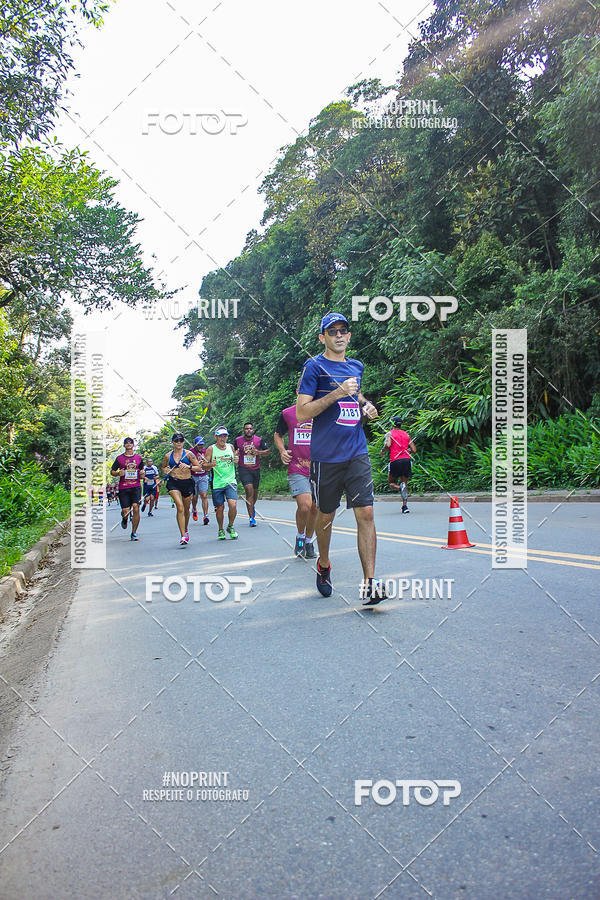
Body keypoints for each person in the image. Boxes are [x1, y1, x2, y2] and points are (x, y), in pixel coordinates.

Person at [297, 312, 386, 605]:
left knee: (367, 514)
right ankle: (323, 563)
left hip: (356, 451)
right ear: (322, 337)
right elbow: (302, 413)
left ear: (349, 336)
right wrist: (336, 392)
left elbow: (356, 395)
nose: (338, 335)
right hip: (326, 457)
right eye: (331, 331)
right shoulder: (314, 367)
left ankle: (370, 584)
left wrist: (367, 405)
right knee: (326, 516)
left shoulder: (356, 366)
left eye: (343, 330)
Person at [274, 398, 317, 558]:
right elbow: (278, 434)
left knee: (315, 507)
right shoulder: (288, 413)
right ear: (299, 391)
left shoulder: (321, 409)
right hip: (297, 466)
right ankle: (300, 536)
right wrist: (282, 450)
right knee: (305, 505)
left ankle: (308, 540)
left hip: (318, 467)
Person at [161, 433, 203, 546]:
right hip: (174, 483)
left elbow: (199, 467)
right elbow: (164, 467)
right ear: (173, 442)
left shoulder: (189, 454)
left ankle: (185, 528)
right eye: (176, 441)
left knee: (186, 508)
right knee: (179, 507)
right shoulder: (168, 455)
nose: (178, 442)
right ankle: (183, 535)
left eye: (181, 440)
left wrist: (188, 466)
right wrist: (168, 471)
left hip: (187, 482)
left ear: (183, 442)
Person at [204, 427, 239, 540]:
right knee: (220, 508)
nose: (223, 438)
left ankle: (230, 526)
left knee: (232, 504)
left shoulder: (231, 447)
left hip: (230, 481)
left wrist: (236, 460)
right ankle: (220, 529)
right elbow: (204, 466)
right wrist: (210, 465)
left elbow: (235, 460)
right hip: (217, 483)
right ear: (216, 437)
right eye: (220, 436)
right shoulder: (211, 449)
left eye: (225, 436)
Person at [235, 422, 269, 526]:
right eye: (246, 429)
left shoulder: (259, 440)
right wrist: (235, 455)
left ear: (253, 430)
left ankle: (251, 506)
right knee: (249, 491)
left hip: (255, 469)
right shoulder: (238, 440)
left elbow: (268, 451)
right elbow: (234, 451)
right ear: (243, 430)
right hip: (244, 469)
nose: (248, 430)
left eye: (250, 428)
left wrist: (258, 452)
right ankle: (251, 518)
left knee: (255, 494)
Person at [110, 437, 145, 541]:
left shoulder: (138, 458)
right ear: (124, 445)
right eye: (126, 443)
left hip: (136, 486)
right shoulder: (119, 458)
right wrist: (118, 473)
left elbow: (142, 470)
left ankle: (134, 532)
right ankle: (124, 519)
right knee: (125, 511)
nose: (129, 444)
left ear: (133, 445)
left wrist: (143, 474)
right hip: (124, 487)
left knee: (136, 507)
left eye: (130, 443)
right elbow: (112, 471)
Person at [381, 416, 416, 513]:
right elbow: (414, 450)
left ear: (392, 424)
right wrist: (405, 450)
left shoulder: (389, 434)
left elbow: (388, 445)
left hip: (395, 461)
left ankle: (399, 488)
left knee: (392, 483)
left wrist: (383, 449)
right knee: (404, 483)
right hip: (406, 460)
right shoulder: (406, 434)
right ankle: (405, 507)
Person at [190, 436, 210, 525]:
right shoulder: (190, 452)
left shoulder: (206, 452)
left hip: (203, 475)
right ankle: (194, 508)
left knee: (204, 495)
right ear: (195, 444)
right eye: (199, 445)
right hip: (193, 476)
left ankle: (206, 515)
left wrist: (205, 463)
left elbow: (209, 464)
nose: (200, 446)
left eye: (202, 445)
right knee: (195, 497)